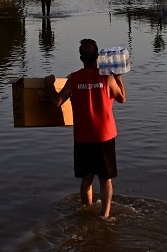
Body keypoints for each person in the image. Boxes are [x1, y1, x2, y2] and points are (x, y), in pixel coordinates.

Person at [48, 38, 126, 219]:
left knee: (87, 178)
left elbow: (57, 102)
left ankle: (87, 211)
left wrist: (49, 84)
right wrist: (119, 77)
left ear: (81, 58)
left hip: (83, 136)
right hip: (105, 135)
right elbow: (122, 98)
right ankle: (105, 216)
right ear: (97, 57)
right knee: (106, 179)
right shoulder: (107, 77)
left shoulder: (74, 78)